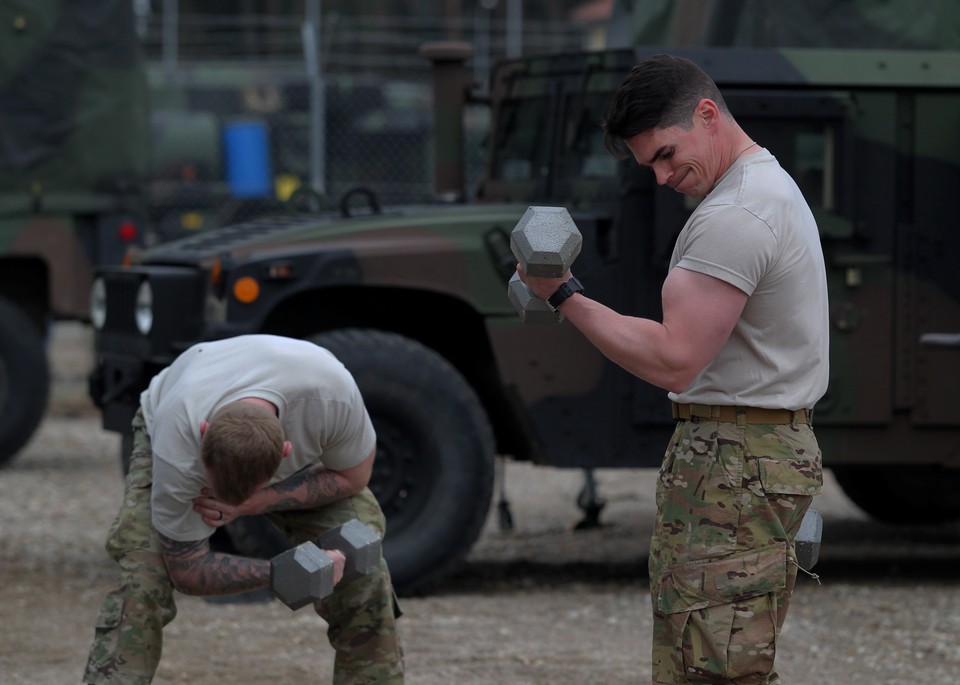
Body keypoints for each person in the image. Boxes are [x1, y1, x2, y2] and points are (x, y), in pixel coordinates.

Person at [516, 54, 828, 684]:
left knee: (714, 664)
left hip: (736, 458)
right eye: (648, 164)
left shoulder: (736, 214)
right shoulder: (757, 190)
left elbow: (674, 358)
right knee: (709, 650)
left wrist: (563, 294)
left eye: (665, 153)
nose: (660, 177)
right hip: (741, 452)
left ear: (706, 114)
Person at [82, 334, 404, 684]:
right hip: (169, 414)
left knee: (363, 563)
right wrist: (283, 572)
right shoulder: (180, 437)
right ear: (204, 435)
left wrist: (262, 500)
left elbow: (355, 476)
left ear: (285, 453)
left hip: (289, 435)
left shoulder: (331, 397)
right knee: (143, 584)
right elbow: (185, 569)